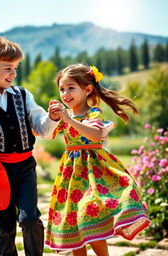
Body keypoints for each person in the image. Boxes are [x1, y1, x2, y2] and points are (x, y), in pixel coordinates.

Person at [0, 36, 60, 256]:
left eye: (15, 68)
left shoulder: (23, 95)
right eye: (8, 68)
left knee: (29, 218)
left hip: (24, 167)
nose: (14, 73)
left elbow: (42, 128)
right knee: (4, 226)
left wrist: (53, 118)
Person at [46, 64, 150, 256]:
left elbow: (95, 135)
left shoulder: (93, 113)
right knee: (73, 220)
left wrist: (69, 120)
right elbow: (43, 133)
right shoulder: (63, 117)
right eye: (62, 89)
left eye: (71, 88)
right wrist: (50, 119)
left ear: (87, 89)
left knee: (89, 215)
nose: (65, 93)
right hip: (70, 177)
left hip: (94, 173)